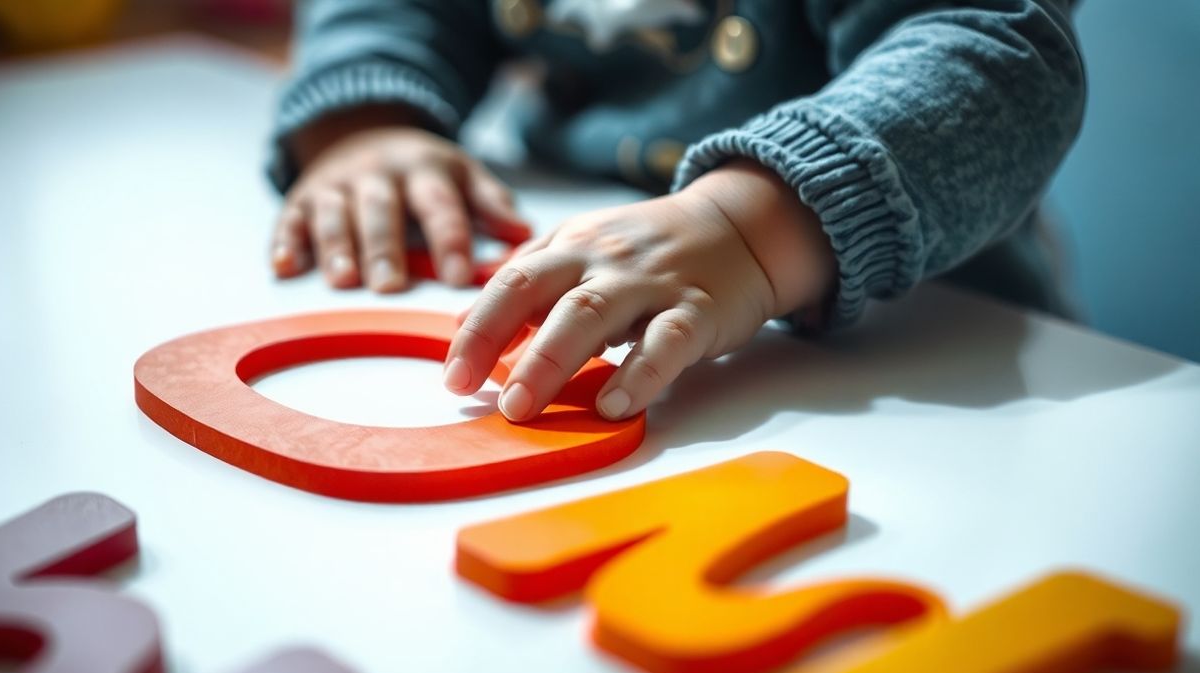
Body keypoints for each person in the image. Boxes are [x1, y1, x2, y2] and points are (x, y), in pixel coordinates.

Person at [266, 0, 1084, 423]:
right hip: (583, 246)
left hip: (934, 355)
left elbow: (997, 51)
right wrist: (364, 123)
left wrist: (745, 232)